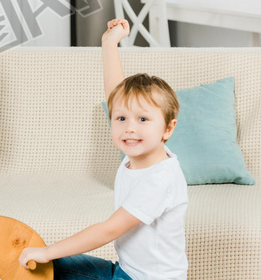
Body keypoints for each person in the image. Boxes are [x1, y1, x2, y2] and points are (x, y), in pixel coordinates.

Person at [19, 18, 188, 280]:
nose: (129, 128)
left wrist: (48, 251)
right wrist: (109, 43)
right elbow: (115, 97)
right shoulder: (138, 154)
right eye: (121, 119)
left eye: (143, 119)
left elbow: (109, 231)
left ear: (168, 128)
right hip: (125, 271)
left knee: (47, 260)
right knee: (46, 267)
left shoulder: (159, 179)